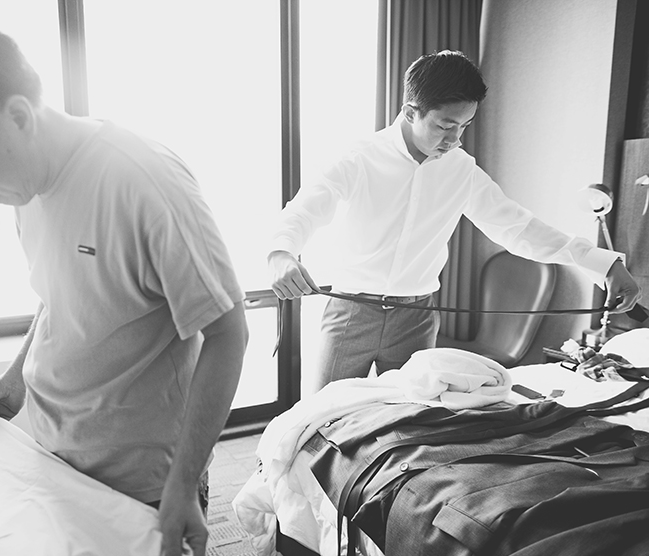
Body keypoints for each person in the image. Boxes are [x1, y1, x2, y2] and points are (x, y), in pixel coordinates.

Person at [0, 25, 249, 556]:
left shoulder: (143, 181)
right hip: (55, 457)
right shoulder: (24, 189)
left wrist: (182, 482)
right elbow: (59, 295)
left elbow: (228, 332)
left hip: (144, 481)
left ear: (18, 116)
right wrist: (16, 374)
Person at [268, 50, 641, 390]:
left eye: (464, 126)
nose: (454, 139)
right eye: (445, 126)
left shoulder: (462, 170)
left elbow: (519, 228)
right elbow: (304, 210)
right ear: (411, 112)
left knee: (413, 421)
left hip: (416, 318)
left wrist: (603, 264)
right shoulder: (358, 158)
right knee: (323, 419)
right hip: (351, 312)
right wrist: (282, 254)